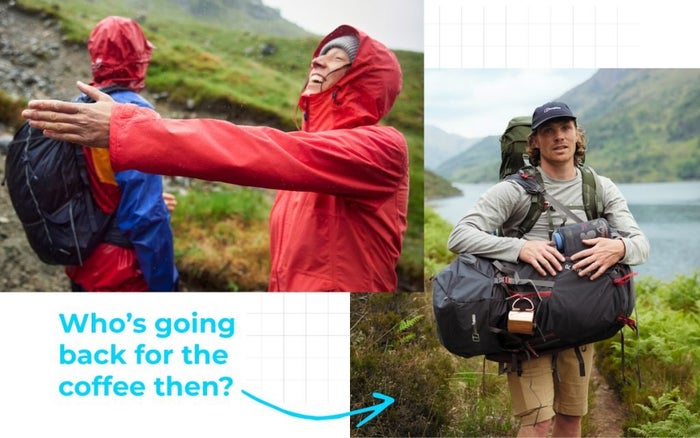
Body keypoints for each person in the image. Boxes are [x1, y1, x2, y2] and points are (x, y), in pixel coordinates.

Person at [22, 24, 408, 292]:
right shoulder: (309, 156)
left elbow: (256, 150)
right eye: (319, 56)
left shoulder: (382, 150)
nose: (318, 62)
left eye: (338, 58)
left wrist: (129, 130)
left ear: (364, 79)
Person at [446, 102, 649, 437]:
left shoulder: (599, 187)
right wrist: (520, 247)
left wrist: (620, 247)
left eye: (565, 128)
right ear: (534, 142)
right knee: (538, 421)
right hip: (526, 318)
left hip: (581, 315)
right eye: (548, 131)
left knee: (571, 416)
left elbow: (641, 244)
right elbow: (460, 235)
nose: (559, 137)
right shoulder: (515, 190)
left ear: (577, 134)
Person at [66, 16, 179, 292]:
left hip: (82, 260)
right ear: (138, 58)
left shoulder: (77, 109)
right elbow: (146, 218)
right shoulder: (135, 116)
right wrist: (167, 287)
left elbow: (90, 186)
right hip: (123, 273)